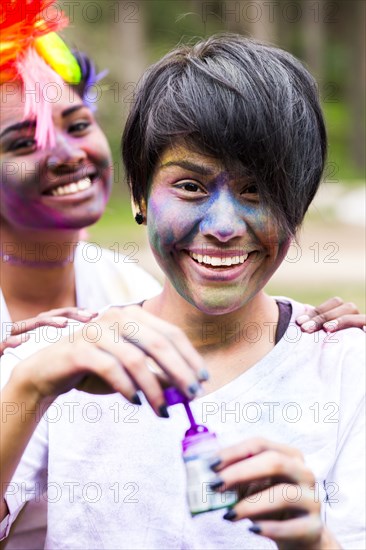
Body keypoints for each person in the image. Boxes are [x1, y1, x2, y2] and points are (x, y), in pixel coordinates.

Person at [1, 32, 365, 550]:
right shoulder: (62, 361)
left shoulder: (348, 370)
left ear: (298, 208)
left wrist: (313, 542)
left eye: (257, 190)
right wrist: (29, 386)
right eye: (190, 186)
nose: (222, 225)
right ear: (140, 195)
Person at [0, 1, 160, 547]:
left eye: (78, 124)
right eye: (24, 142)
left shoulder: (131, 291)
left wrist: (303, 327)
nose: (68, 154)